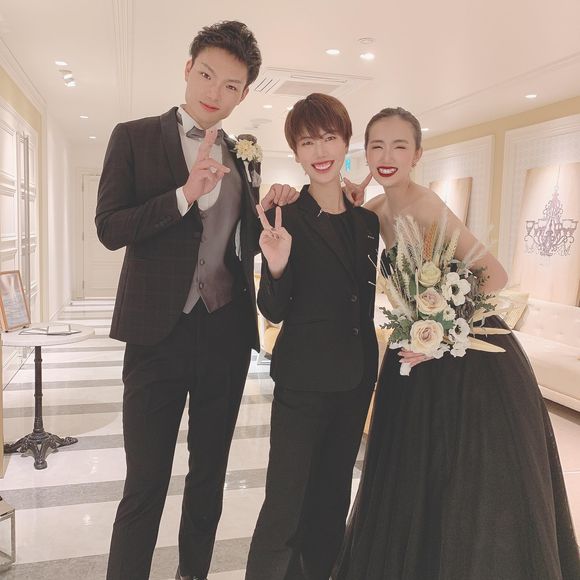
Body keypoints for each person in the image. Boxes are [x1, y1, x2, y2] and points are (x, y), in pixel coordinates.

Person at [333, 107, 580, 580]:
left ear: (417, 155)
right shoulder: (376, 209)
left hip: (468, 356)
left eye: (400, 146)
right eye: (377, 145)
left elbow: (494, 275)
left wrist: (440, 331)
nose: (387, 156)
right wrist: (351, 200)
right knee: (415, 469)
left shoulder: (426, 205)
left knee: (467, 473)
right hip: (415, 351)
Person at [95, 21, 297, 580]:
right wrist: (184, 195)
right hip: (155, 334)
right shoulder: (133, 137)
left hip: (225, 334)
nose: (215, 92)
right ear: (188, 69)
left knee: (209, 477)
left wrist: (273, 209)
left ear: (243, 94)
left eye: (231, 85)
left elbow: (241, 242)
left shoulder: (244, 155)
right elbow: (110, 228)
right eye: (207, 75)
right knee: (146, 483)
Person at [244, 93, 380, 580]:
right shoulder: (288, 215)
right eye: (307, 142)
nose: (320, 150)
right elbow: (272, 310)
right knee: (285, 502)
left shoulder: (367, 222)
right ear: (296, 152)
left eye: (329, 138)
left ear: (346, 143)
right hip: (302, 381)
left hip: (355, 379)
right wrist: (277, 266)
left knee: (332, 496)